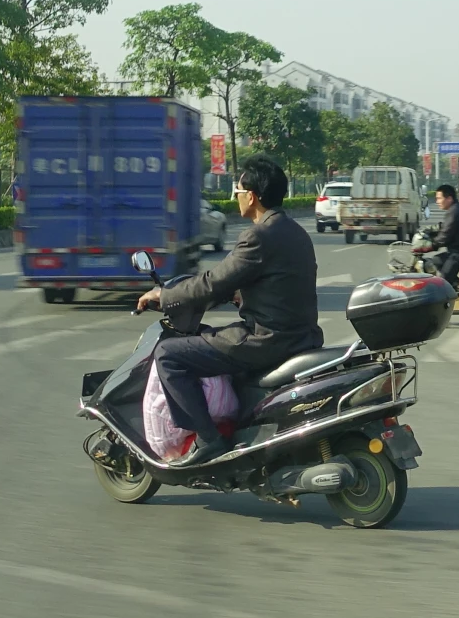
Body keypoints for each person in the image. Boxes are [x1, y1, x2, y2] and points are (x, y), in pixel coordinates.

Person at [135, 157, 322, 462]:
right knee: (208, 338)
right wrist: (238, 295)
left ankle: (209, 440)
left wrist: (164, 293)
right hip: (300, 335)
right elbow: (272, 282)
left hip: (267, 340)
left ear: (252, 195)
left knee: (169, 355)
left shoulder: (258, 235)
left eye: (238, 190)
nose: (236, 196)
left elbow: (213, 282)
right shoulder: (294, 231)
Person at [425, 182, 459, 295]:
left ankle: (448, 300)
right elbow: (445, 228)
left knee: (444, 278)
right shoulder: (455, 210)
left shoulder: (454, 212)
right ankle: (456, 286)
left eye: (439, 198)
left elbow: (446, 234)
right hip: (458, 250)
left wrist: (432, 245)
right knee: (435, 261)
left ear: (449, 198)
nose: (437, 202)